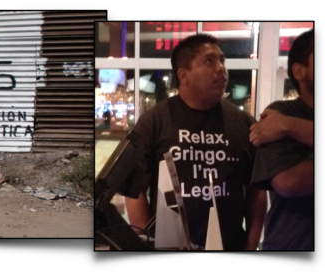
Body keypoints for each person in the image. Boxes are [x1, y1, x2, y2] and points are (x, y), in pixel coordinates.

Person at [123, 34, 266, 250]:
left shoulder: (243, 122)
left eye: (222, 60)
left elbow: (257, 192)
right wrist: (147, 243)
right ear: (184, 75)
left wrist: (251, 247)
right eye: (209, 61)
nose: (220, 68)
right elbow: (134, 191)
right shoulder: (155, 121)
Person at [249, 29, 313, 250]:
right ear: (299, 71)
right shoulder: (279, 113)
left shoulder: (283, 122)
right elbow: (289, 183)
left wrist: (290, 126)